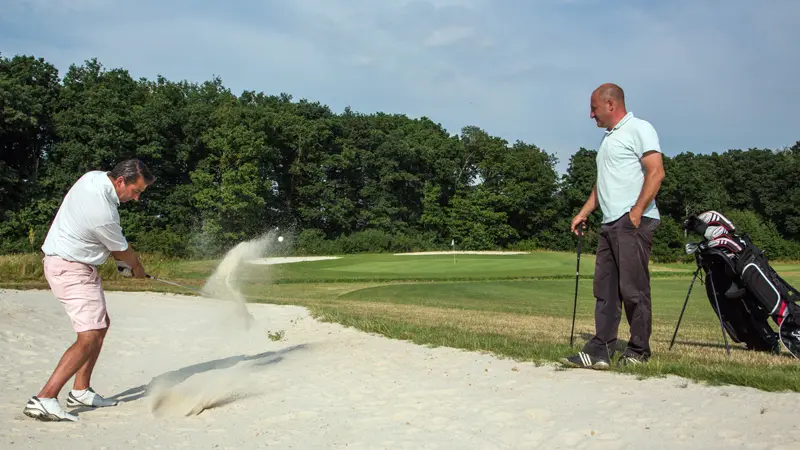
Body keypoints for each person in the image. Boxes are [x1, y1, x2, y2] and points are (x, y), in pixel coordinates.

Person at [23, 159, 155, 422]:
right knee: (90, 335)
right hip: (70, 268)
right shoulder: (103, 211)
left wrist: (122, 262)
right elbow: (123, 251)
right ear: (120, 181)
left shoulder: (93, 177)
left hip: (77, 265)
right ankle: (45, 398)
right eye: (136, 191)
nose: (137, 198)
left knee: (101, 325)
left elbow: (109, 245)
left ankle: (81, 390)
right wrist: (137, 269)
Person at [560, 83, 665, 369]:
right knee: (604, 289)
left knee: (633, 289)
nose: (591, 115)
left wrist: (636, 212)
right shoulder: (608, 139)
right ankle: (600, 350)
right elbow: (602, 183)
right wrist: (584, 212)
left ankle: (639, 351)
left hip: (632, 221)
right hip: (609, 222)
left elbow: (656, 172)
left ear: (610, 105)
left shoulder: (639, 128)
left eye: (594, 109)